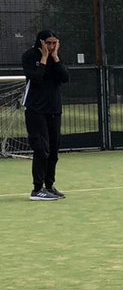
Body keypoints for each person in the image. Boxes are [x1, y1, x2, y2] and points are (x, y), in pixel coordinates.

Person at [21, 29, 70, 201]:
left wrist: (55, 58)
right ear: (41, 42)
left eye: (54, 43)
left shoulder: (56, 58)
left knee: (54, 150)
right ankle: (37, 189)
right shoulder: (29, 56)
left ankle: (49, 186)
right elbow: (36, 79)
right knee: (41, 149)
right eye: (48, 43)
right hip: (35, 110)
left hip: (54, 110)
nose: (51, 46)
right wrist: (43, 59)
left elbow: (65, 77)